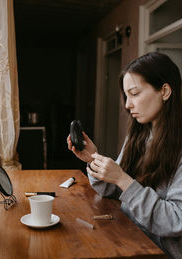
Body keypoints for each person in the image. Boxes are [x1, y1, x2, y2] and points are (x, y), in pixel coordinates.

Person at [67, 52, 182, 259]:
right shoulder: (138, 135)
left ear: (164, 91)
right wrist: (93, 158)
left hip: (156, 253)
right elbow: (113, 189)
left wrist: (122, 178)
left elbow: (175, 221)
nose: (128, 105)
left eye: (135, 94)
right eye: (126, 96)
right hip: (127, 234)